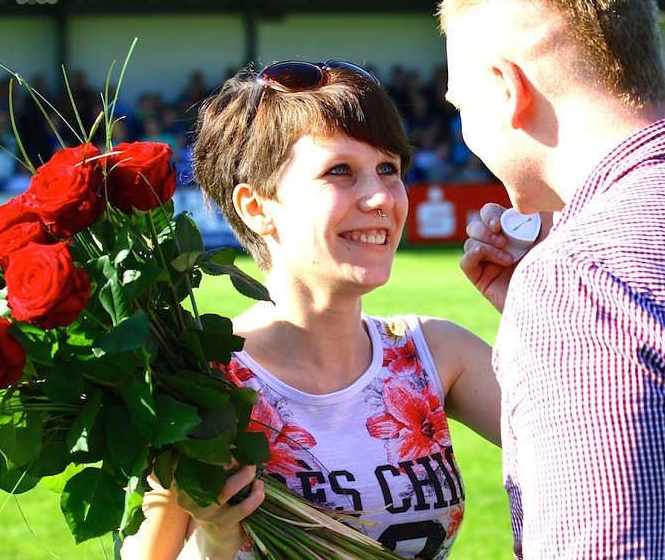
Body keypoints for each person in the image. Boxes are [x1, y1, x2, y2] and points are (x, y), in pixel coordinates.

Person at [438, 0, 665, 557]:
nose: (464, 133)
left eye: (460, 108)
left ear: (507, 89)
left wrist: (567, 307)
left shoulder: (584, 282)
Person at [120, 59, 501, 559]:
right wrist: (215, 540)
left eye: (389, 168)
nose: (380, 197)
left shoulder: (435, 353)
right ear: (257, 207)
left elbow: (600, 443)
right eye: (339, 171)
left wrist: (530, 300)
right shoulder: (199, 382)